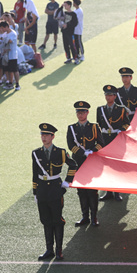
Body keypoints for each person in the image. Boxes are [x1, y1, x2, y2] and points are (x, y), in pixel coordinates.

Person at [32, 123, 77, 261]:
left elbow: (73, 164)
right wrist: (35, 192)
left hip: (55, 189)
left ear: (52, 136)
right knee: (46, 220)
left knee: (57, 220)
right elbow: (35, 173)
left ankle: (59, 250)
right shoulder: (36, 153)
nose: (43, 137)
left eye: (46, 135)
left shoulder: (61, 152)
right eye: (42, 134)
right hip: (42, 190)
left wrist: (67, 182)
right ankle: (49, 250)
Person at [67, 101, 104, 226]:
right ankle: (85, 217)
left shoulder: (94, 127)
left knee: (92, 191)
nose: (80, 114)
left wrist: (92, 151)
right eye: (78, 112)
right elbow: (70, 145)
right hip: (78, 162)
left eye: (82, 112)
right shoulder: (72, 128)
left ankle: (94, 217)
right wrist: (83, 153)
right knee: (81, 191)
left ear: (87, 113)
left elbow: (101, 143)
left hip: (91, 162)